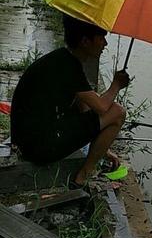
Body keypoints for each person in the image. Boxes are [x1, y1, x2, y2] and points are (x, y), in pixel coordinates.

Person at [11, 14, 129, 186]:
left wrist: (103, 149)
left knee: (87, 108)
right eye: (101, 38)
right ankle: (84, 175)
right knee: (117, 112)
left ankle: (91, 163)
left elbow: (86, 109)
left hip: (28, 141)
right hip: (38, 148)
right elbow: (103, 107)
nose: (105, 44)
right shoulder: (68, 66)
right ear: (85, 42)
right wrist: (116, 85)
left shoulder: (63, 59)